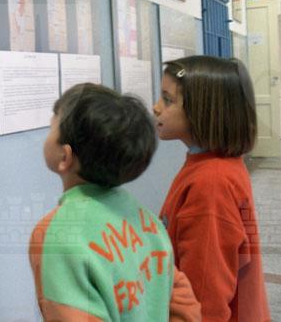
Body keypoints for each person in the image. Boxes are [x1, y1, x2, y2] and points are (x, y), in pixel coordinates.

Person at [30, 83, 200, 321]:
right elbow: (182, 299)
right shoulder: (146, 219)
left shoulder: (56, 233)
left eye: (52, 128)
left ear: (64, 157)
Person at [153, 56, 270, 321]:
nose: (156, 107)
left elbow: (206, 299)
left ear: (202, 110)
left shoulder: (211, 183)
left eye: (168, 100)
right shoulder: (210, 164)